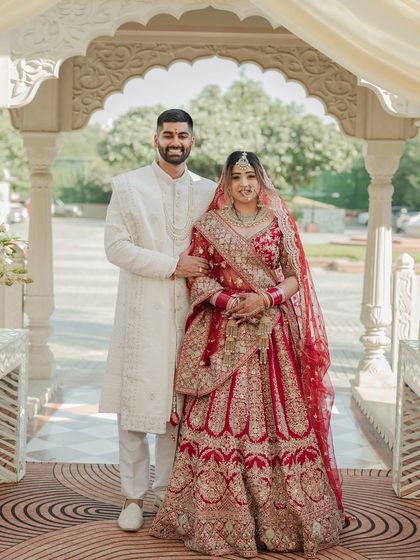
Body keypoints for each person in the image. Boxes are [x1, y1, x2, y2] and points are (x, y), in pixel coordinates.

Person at [150, 151, 344, 558]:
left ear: (261, 181)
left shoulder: (278, 224)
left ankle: (282, 518)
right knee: (219, 423)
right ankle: (216, 518)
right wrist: (226, 302)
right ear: (225, 182)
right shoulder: (208, 226)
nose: (244, 184)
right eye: (236, 176)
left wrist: (266, 298)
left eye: (250, 176)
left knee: (277, 424)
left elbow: (295, 277)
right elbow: (198, 279)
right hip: (223, 338)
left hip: (270, 335)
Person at [98, 109, 216, 532]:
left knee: (176, 408)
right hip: (140, 311)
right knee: (134, 405)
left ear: (192, 141)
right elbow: (116, 247)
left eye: (182, 135)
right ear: (156, 139)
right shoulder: (128, 186)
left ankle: (167, 494)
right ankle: (132, 497)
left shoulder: (209, 191)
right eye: (168, 134)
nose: (175, 141)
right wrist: (172, 265)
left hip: (191, 314)